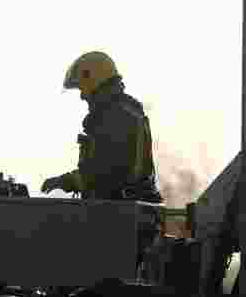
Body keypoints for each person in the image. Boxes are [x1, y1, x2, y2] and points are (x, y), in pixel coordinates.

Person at [41, 51, 162, 203]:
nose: (82, 96)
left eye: (82, 88)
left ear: (93, 81)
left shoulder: (116, 116)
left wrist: (66, 181)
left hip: (118, 212)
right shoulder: (123, 112)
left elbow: (105, 173)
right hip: (128, 209)